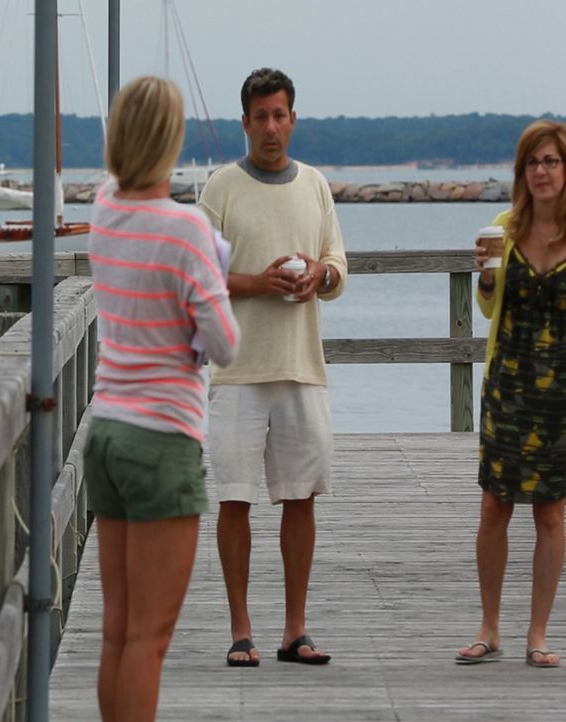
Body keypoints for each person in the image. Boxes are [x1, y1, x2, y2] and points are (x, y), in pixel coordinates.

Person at [85, 76, 239, 722]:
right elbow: (224, 343)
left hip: (105, 431)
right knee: (151, 640)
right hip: (162, 437)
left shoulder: (101, 208)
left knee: (118, 632)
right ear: (169, 141)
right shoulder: (186, 228)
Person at [198, 67, 346, 667]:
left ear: (293, 118)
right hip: (236, 371)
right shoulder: (221, 188)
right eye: (260, 116)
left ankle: (295, 629)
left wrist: (320, 274)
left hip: (301, 368)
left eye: (280, 115)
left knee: (301, 496)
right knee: (235, 498)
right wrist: (257, 283)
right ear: (245, 122)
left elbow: (337, 263)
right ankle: (241, 629)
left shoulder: (314, 185)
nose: (271, 127)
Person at [455, 120, 566, 669]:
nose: (541, 171)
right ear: (522, 172)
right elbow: (488, 310)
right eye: (532, 163)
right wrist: (486, 277)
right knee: (494, 505)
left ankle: (537, 634)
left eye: (551, 161)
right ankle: (489, 627)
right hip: (508, 388)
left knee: (550, 512)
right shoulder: (504, 227)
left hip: (562, 394)